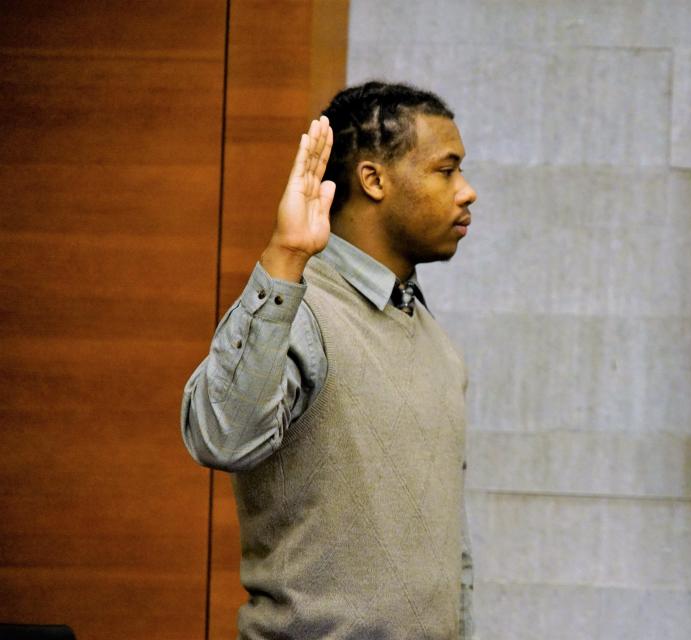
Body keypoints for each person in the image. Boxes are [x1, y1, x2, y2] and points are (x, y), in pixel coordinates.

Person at [180, 81, 478, 640]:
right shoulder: (301, 310)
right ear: (373, 179)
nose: (467, 192)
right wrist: (286, 255)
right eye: (447, 170)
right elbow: (220, 439)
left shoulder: (438, 344)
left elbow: (448, 553)